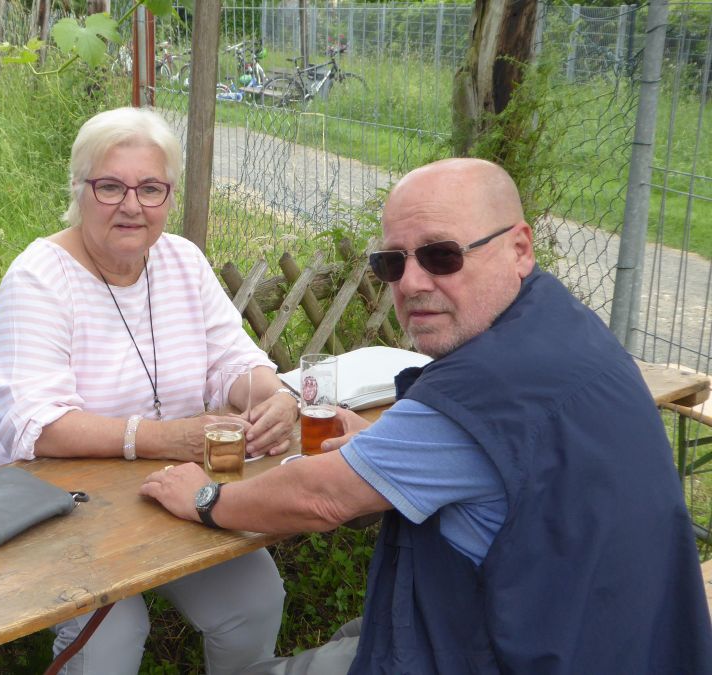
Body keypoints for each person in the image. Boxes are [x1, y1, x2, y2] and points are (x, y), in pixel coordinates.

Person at [140, 158, 712, 674]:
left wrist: (205, 499)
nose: (412, 283)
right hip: (626, 635)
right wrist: (383, 447)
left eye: (443, 255)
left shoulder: (489, 382)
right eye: (392, 262)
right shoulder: (563, 328)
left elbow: (321, 497)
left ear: (519, 248)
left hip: (516, 650)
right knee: (355, 633)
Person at [0, 106, 297, 674]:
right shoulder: (39, 278)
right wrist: (170, 439)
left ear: (168, 196)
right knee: (113, 634)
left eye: (150, 188)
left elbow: (233, 360)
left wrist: (277, 397)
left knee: (253, 601)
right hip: (44, 501)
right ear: (79, 191)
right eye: (110, 187)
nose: (131, 205)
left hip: (157, 487)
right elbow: (36, 426)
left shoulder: (182, 260)